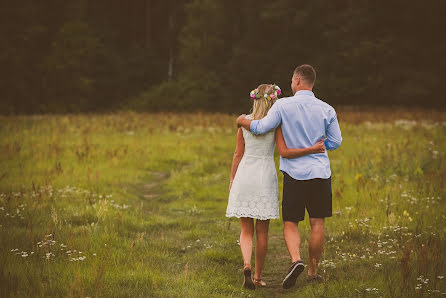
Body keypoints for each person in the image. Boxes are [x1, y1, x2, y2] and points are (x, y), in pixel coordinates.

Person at [236, 64, 342, 289]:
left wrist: (242, 121)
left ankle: (296, 259)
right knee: (317, 222)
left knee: (291, 222)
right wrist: (319, 145)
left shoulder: (283, 106)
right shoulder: (327, 109)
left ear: (297, 81)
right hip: (320, 172)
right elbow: (335, 142)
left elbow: (262, 126)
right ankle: (313, 271)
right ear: (312, 83)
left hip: (294, 173)